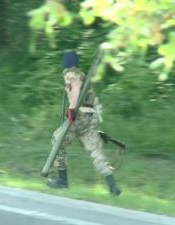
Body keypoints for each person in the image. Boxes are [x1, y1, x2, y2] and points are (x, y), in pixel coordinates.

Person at [47, 50, 122, 196]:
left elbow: (75, 88)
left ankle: (62, 180)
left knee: (57, 140)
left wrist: (72, 109)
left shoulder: (70, 73)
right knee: (96, 151)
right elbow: (94, 100)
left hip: (79, 115)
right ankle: (112, 185)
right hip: (91, 118)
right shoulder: (83, 76)